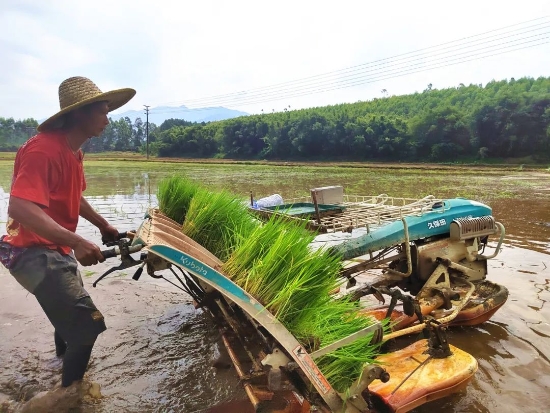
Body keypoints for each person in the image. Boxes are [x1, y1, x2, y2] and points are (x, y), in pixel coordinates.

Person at [0, 76, 136, 390]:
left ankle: (61, 367)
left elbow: (74, 194)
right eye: (102, 112)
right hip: (32, 252)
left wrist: (103, 225)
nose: (107, 119)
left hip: (54, 249)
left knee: (70, 323)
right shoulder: (43, 150)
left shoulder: (74, 151)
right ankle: (71, 399)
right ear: (78, 114)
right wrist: (76, 240)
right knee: (86, 329)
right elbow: (19, 208)